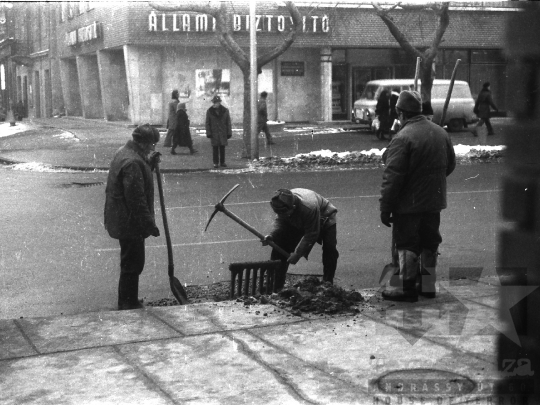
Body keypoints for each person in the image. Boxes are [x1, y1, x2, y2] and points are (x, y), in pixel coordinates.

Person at [380, 90, 456, 303]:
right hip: (434, 202)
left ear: (400, 113)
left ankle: (406, 288)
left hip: (408, 205)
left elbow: (392, 177)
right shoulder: (441, 133)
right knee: (430, 242)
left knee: (407, 244)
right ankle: (428, 286)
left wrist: (385, 207)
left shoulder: (403, 138)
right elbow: (449, 165)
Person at [104, 124, 161, 310]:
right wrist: (149, 225)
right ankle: (127, 304)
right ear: (144, 143)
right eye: (152, 144)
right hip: (129, 223)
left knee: (130, 262)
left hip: (122, 219)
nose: (153, 148)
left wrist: (150, 164)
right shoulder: (133, 162)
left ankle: (129, 300)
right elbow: (137, 201)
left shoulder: (126, 152)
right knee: (133, 264)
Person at [262, 188, 339, 290]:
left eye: (284, 214)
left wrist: (297, 254)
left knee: (330, 248)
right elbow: (280, 221)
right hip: (299, 218)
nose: (282, 216)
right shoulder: (283, 204)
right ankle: (276, 284)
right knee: (281, 243)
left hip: (325, 216)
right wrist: (272, 235)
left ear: (293, 207)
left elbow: (311, 234)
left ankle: (328, 284)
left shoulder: (309, 208)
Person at [205, 95, 232, 169]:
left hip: (223, 132)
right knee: (215, 148)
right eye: (213, 103)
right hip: (214, 133)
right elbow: (207, 123)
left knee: (222, 147)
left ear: (219, 103)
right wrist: (208, 132)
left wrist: (229, 132)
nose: (214, 104)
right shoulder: (210, 111)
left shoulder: (225, 111)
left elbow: (228, 122)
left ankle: (222, 162)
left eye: (216, 103)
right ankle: (215, 162)